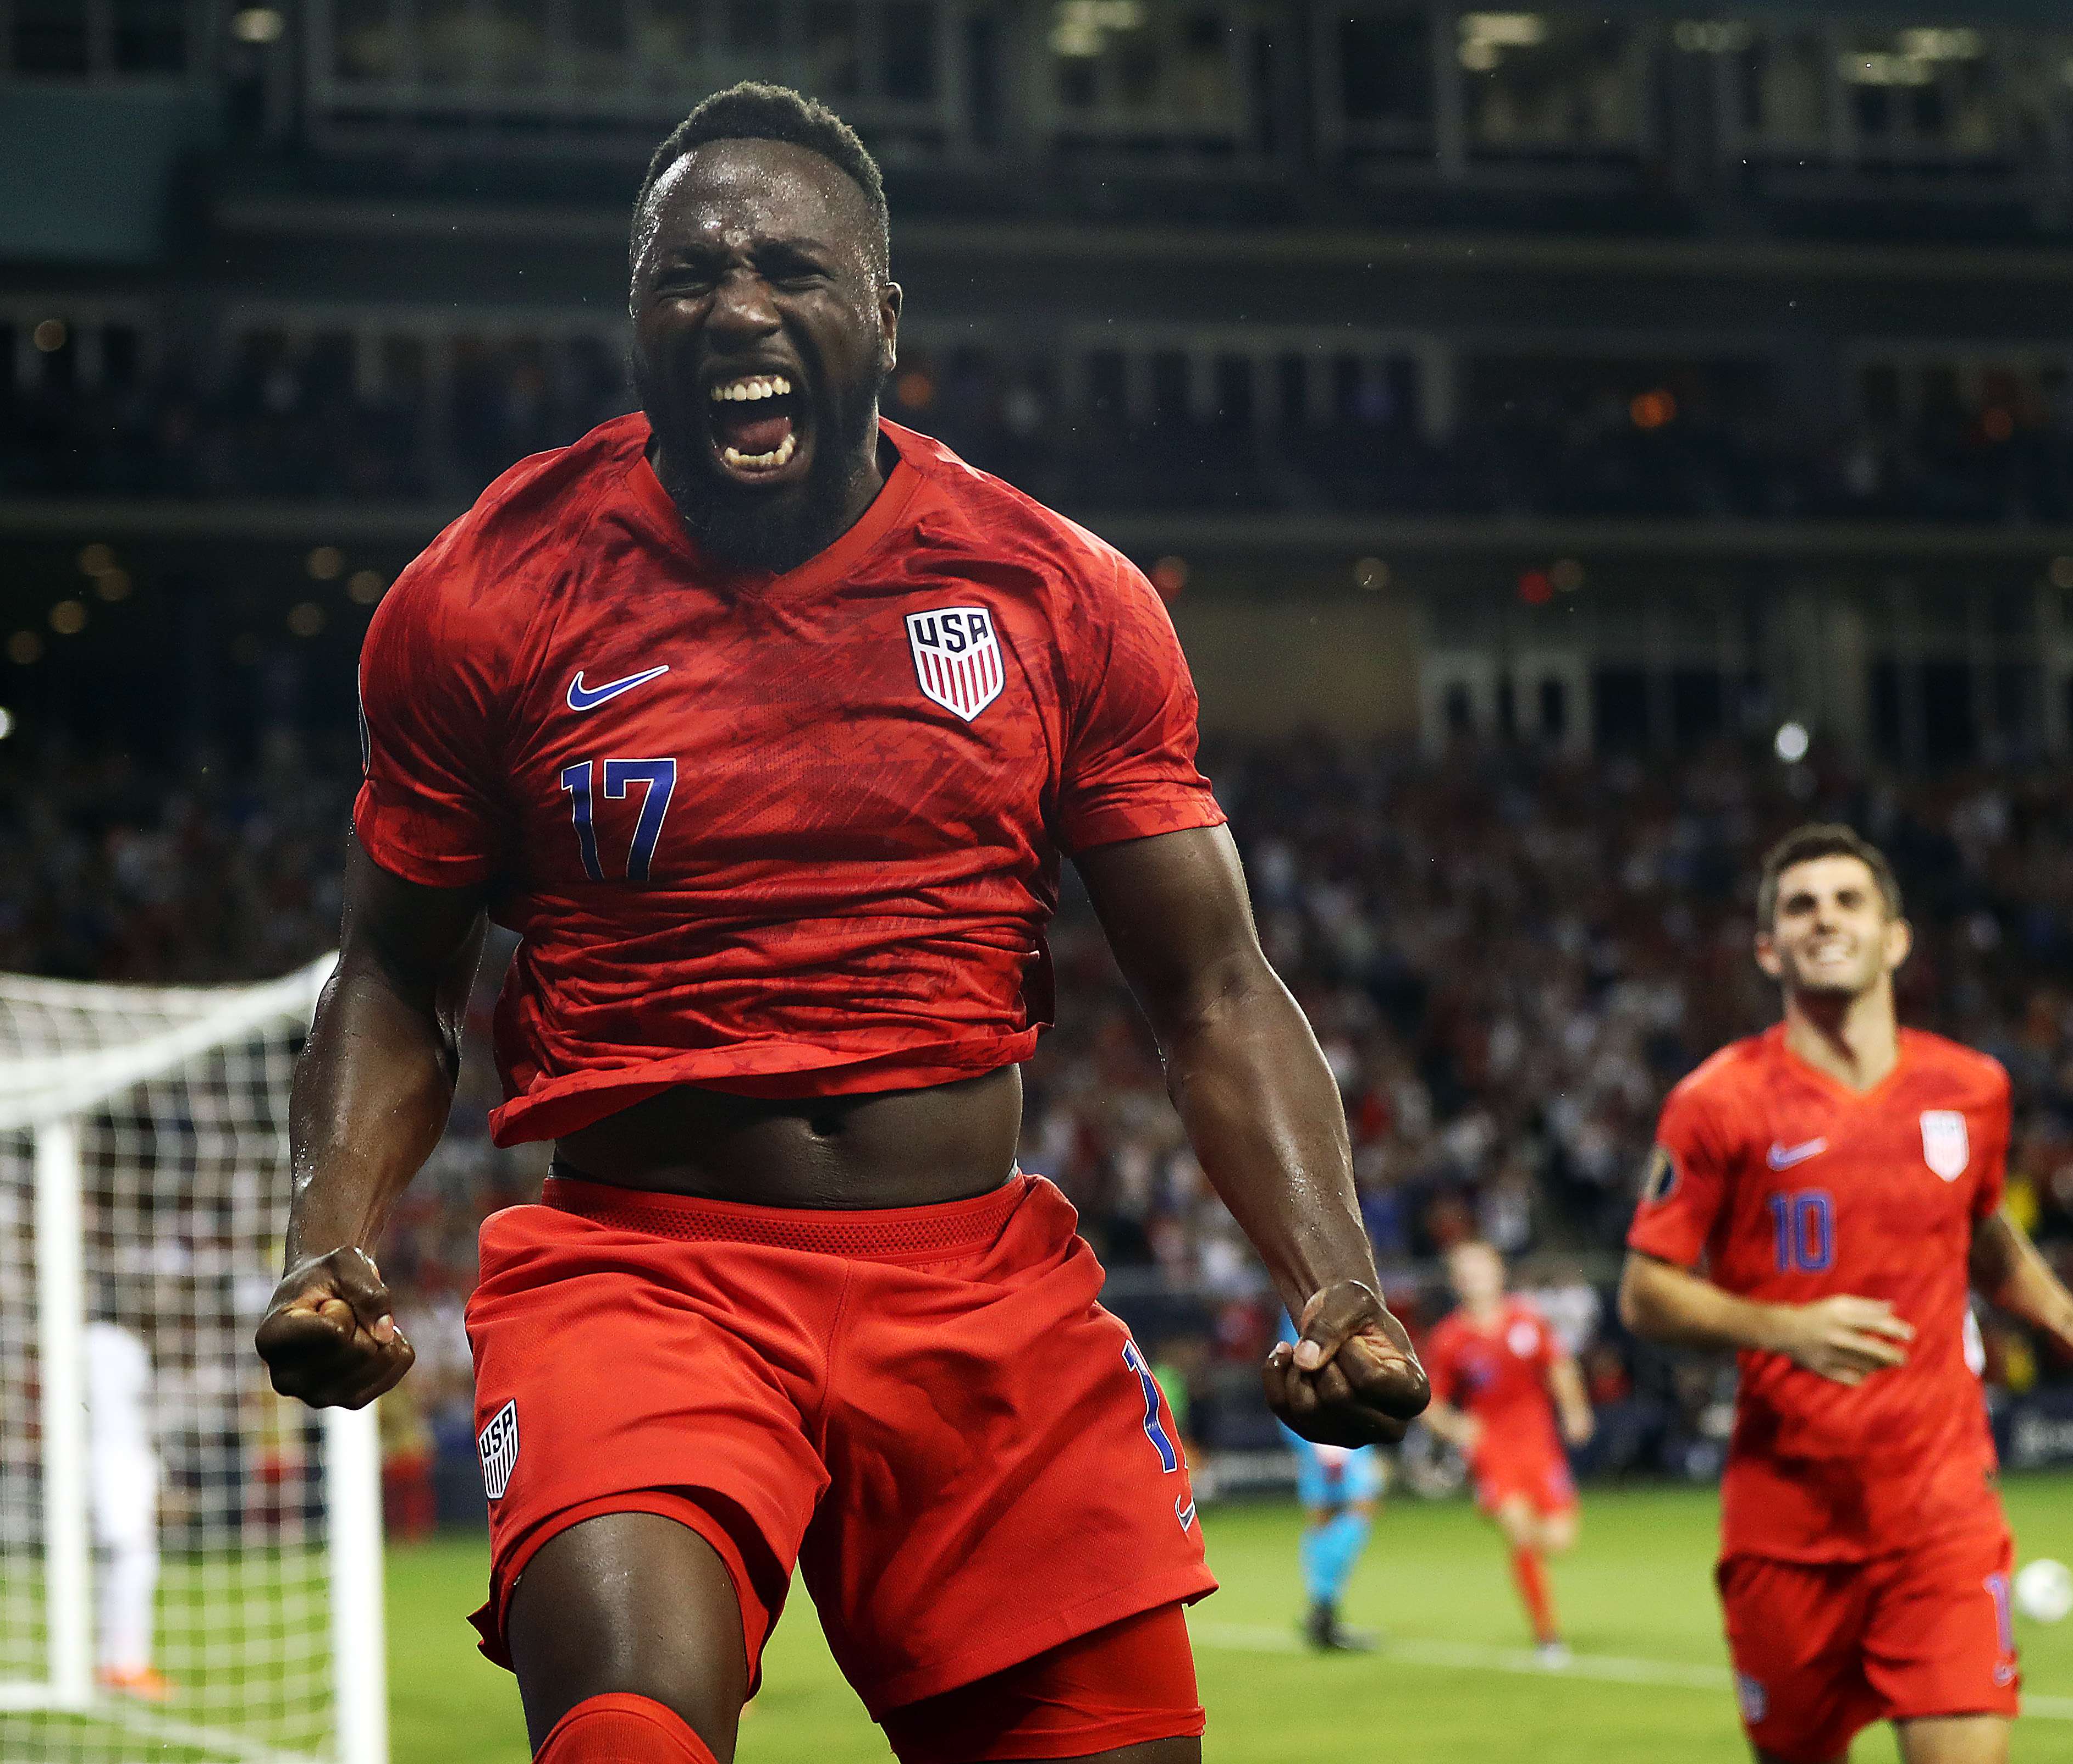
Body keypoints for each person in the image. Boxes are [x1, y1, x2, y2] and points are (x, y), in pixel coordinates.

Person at [251, 81, 1428, 1764]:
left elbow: (1217, 992)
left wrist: (1337, 1283)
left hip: (977, 1289)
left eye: (792, 270)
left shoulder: (1059, 594)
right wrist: (334, 1238)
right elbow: (391, 974)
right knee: (625, 1743)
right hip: (643, 1275)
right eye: (688, 274)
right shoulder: (483, 595)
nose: (738, 307)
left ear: (883, 313)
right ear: (634, 319)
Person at [1620, 823, 2073, 1764]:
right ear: (1769, 948)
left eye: (1848, 901)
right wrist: (1782, 1326)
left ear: (1896, 937)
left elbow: (1982, 1230)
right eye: (1799, 905)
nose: (1824, 919)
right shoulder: (1716, 1101)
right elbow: (1644, 1293)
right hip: (1787, 1523)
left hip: (1941, 1511)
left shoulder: (1973, 1088)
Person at [1419, 1240, 1594, 1665]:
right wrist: (1459, 1427)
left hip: (1539, 1442)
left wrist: (1575, 1410)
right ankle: (1547, 1637)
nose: (1474, 1278)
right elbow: (1428, 1402)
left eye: (1480, 1269)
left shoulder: (1527, 1321)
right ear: (1456, 1281)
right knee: (1519, 1530)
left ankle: (1535, 1579)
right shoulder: (1450, 1338)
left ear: (1498, 1273)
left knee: (1561, 1540)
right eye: (1465, 1271)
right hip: (1493, 1449)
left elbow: (1559, 1366)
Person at [1278, 1319, 1383, 1651]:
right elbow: (1304, 1366)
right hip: (1329, 1425)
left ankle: (1322, 1612)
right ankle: (1323, 1609)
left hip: (1320, 1423)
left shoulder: (1302, 1303)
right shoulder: (1315, 1307)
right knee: (1359, 1506)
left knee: (1325, 1517)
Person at [84, 1316, 167, 1701]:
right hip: (115, 1460)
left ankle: (111, 1662)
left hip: (95, 1457)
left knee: (120, 1561)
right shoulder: (124, 1345)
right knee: (135, 1560)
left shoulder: (75, 1340)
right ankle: (127, 1666)